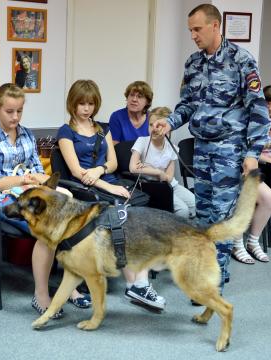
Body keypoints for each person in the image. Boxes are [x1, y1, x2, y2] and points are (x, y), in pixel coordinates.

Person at [154, 4, 270, 291]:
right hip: (202, 149)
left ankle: (212, 283)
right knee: (203, 215)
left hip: (230, 150)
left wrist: (252, 154)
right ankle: (210, 274)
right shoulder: (193, 64)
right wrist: (169, 122)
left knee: (221, 218)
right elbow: (188, 105)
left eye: (197, 29)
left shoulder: (242, 61)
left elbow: (258, 110)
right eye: (190, 30)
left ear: (215, 26)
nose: (193, 35)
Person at [0, 83, 91, 317]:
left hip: (32, 193)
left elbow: (39, 170)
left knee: (72, 217)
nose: (15, 117)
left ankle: (68, 287)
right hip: (5, 200)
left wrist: (38, 179)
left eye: (19, 111)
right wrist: (22, 180)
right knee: (51, 226)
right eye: (10, 111)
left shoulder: (27, 134)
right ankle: (41, 295)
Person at [57, 79, 166, 311]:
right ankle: (134, 284)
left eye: (91, 104)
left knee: (139, 220)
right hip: (85, 190)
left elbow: (114, 162)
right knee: (122, 217)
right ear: (72, 104)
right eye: (82, 104)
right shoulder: (66, 132)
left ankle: (140, 282)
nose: (87, 109)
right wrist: (109, 188)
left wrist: (100, 169)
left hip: (107, 181)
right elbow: (78, 172)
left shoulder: (102, 128)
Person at [129, 107, 196, 219]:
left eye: (159, 125)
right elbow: (133, 168)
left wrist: (155, 171)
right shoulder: (142, 141)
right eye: (151, 125)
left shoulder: (172, 148)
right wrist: (157, 172)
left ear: (169, 127)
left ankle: (187, 230)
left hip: (171, 185)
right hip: (153, 187)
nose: (154, 129)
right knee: (182, 210)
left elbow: (169, 177)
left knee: (195, 204)